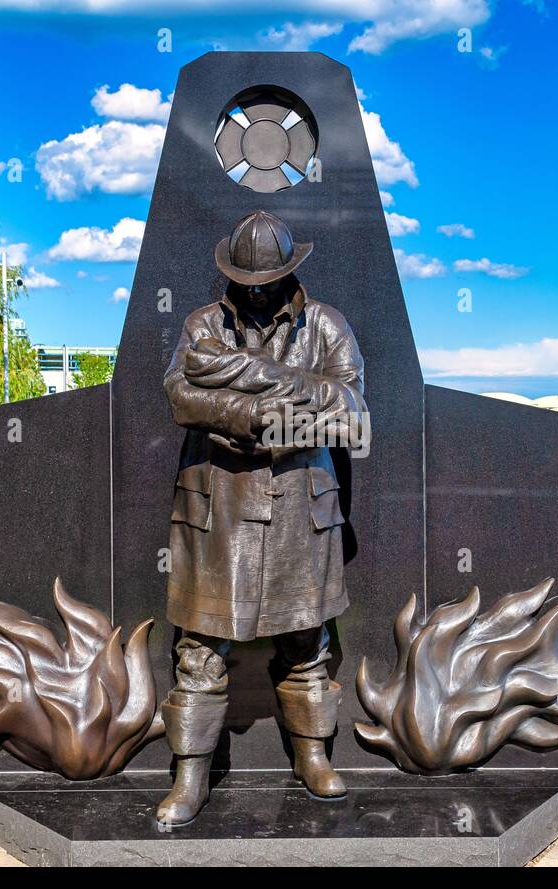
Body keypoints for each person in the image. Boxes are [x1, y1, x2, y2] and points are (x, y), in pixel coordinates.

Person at [158, 210, 367, 826]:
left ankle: (313, 758)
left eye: (268, 278)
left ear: (290, 270)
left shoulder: (326, 325)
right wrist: (252, 416)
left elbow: (352, 414)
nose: (255, 290)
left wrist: (261, 389)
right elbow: (181, 397)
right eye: (245, 279)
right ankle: (190, 777)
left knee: (307, 643)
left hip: (303, 509)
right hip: (217, 510)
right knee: (199, 649)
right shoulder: (202, 325)